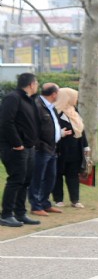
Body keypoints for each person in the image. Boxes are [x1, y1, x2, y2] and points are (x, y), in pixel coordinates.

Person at [0, 73, 41, 227]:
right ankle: (6, 214)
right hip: (15, 147)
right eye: (36, 83)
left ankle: (20, 212)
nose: (37, 86)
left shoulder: (29, 100)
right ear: (31, 84)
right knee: (16, 179)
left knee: (25, 181)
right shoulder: (13, 98)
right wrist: (17, 143)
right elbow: (6, 122)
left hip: (29, 147)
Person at [29, 83, 68, 217]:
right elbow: (32, 128)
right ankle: (35, 205)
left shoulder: (51, 107)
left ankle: (44, 202)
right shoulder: (37, 105)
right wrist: (39, 145)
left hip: (52, 148)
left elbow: (52, 125)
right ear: (54, 94)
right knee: (37, 178)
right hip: (41, 148)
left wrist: (59, 134)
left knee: (51, 177)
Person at [52, 88, 88, 209]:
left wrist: (86, 146)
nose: (76, 99)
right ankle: (58, 199)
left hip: (75, 149)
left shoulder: (74, 111)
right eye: (74, 96)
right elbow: (48, 129)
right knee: (57, 174)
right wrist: (60, 133)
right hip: (60, 149)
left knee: (73, 175)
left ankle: (75, 199)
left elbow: (82, 130)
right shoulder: (55, 111)